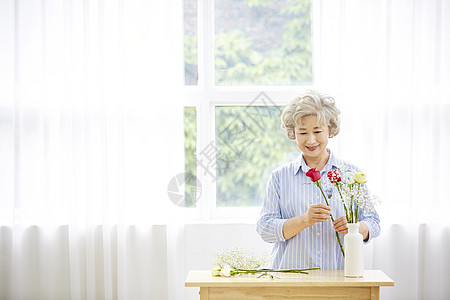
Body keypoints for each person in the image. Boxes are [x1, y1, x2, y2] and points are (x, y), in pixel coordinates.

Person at [256, 90, 380, 270]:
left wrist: (355, 227)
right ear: (293, 133)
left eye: (317, 131)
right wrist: (304, 220)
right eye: (303, 132)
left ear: (330, 130)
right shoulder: (279, 177)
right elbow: (265, 229)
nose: (311, 140)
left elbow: (374, 223)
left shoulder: (353, 175)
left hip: (340, 278)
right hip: (290, 281)